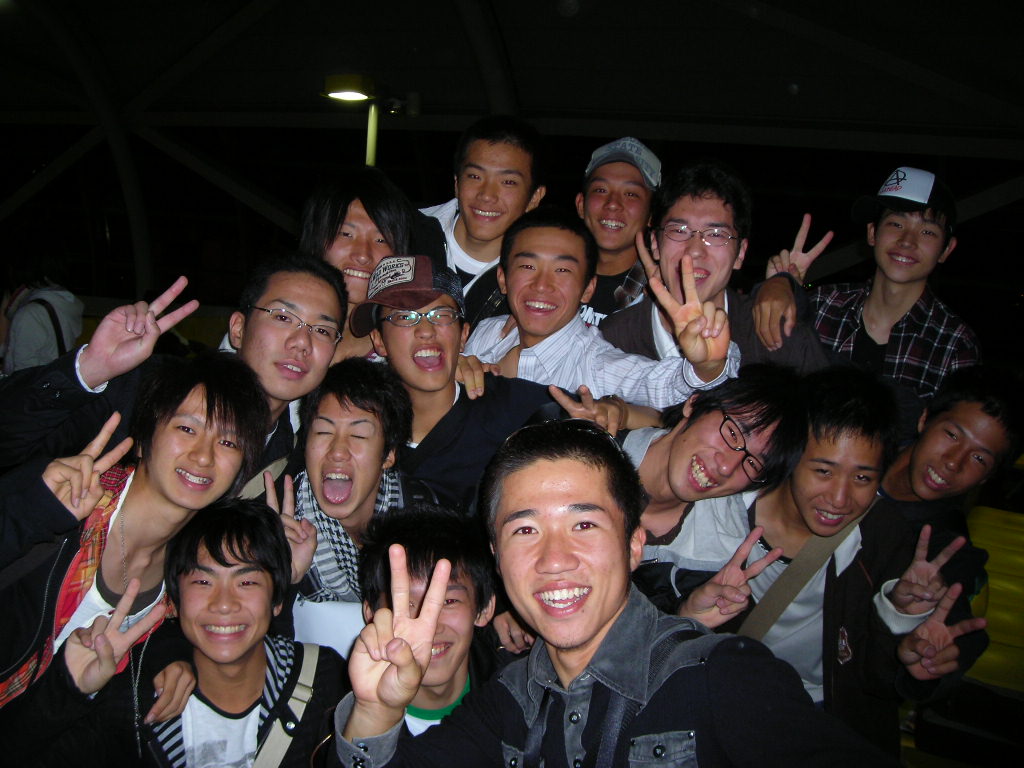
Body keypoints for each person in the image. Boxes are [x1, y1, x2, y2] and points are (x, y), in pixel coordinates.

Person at [330, 419, 897, 766]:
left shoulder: (719, 677)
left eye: (584, 524)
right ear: (498, 561)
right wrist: (376, 711)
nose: (554, 559)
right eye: (525, 530)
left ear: (633, 545)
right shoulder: (507, 703)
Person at [644, 366, 988, 754]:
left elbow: (880, 680)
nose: (839, 499)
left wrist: (906, 631)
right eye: (823, 471)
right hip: (716, 708)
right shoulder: (721, 503)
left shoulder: (883, 539)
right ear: (792, 456)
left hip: (818, 720)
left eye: (862, 479)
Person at [0, 352, 268, 711]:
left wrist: (173, 656)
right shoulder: (65, 498)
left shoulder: (190, 570)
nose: (204, 456)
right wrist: (34, 513)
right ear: (143, 438)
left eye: (228, 442)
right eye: (187, 429)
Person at [16, 498, 349, 767]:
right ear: (174, 600)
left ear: (277, 599)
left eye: (247, 582)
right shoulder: (132, 704)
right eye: (203, 581)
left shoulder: (324, 679)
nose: (223, 604)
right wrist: (67, 687)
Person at [0, 254, 347, 494]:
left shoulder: (299, 460)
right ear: (239, 329)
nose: (301, 343)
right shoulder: (150, 391)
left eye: (322, 330)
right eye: (283, 317)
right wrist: (88, 370)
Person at [348, 254, 651, 512]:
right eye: (405, 317)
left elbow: (655, 426)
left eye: (441, 315)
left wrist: (618, 410)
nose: (426, 331)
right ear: (379, 341)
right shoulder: (356, 422)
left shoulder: (513, 408)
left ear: (463, 335)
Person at [753, 166, 980, 419]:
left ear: (947, 249)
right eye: (896, 223)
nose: (907, 241)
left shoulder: (954, 344)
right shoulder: (822, 305)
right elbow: (765, 382)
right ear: (872, 233)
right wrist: (778, 288)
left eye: (927, 231)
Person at [462, 207, 738, 406]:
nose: (542, 285)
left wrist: (708, 366)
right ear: (503, 279)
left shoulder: (594, 364)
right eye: (528, 266)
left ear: (588, 289)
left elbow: (656, 384)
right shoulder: (488, 331)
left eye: (562, 270)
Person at [601, 161, 829, 374]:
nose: (694, 250)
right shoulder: (614, 341)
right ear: (655, 244)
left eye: (716, 234)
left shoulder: (776, 337)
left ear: (740, 253)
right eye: (679, 231)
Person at [359, 503, 506, 735]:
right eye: (404, 604)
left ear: (484, 609)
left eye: (449, 601)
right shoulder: (338, 716)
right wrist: (372, 712)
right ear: (371, 615)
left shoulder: (523, 696)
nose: (430, 627)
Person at [622, 363, 807, 544]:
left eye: (753, 464)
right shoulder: (608, 435)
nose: (727, 467)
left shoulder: (719, 553)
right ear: (694, 404)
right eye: (733, 433)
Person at [298, 167, 446, 361]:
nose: (363, 255)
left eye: (381, 240)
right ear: (317, 238)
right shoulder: (280, 323)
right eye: (346, 234)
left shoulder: (405, 351)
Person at [421, 115, 547, 326]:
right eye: (475, 176)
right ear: (457, 183)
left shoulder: (539, 278)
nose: (487, 195)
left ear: (534, 198)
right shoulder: (404, 234)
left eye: (508, 182)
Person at [574, 137, 660, 326]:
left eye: (631, 194)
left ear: (651, 215)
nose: (613, 204)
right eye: (601, 190)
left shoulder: (661, 295)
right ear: (580, 205)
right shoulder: (550, 276)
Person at [1, 258, 84, 374]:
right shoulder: (60, 303)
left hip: (36, 382)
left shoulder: (31, 313)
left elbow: (22, 369)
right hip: (53, 378)